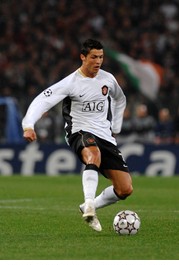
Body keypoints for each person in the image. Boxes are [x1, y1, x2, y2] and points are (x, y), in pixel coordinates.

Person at [22, 39, 133, 232]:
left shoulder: (108, 79)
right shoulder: (71, 83)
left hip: (105, 135)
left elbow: (120, 99)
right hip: (78, 131)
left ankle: (88, 207)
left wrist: (116, 126)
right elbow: (42, 100)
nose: (98, 61)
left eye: (101, 57)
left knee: (124, 189)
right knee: (93, 154)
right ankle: (89, 203)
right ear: (83, 57)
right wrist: (28, 125)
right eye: (93, 57)